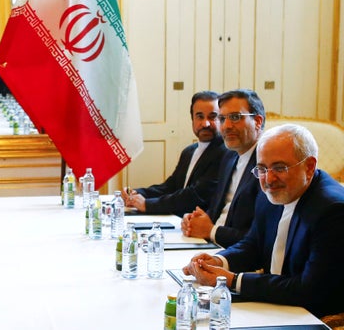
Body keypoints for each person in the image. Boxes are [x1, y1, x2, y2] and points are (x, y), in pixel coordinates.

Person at [183, 124, 344, 318]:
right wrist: (219, 261)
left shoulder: (332, 210)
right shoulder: (272, 191)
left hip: (314, 316)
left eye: (279, 168)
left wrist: (233, 280)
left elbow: (309, 290)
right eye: (261, 168)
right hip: (274, 304)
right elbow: (253, 245)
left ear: (309, 166)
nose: (268, 179)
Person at [181, 89, 265, 247]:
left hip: (237, 255)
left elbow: (260, 236)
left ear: (258, 121)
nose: (226, 126)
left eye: (235, 117)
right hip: (209, 245)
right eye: (222, 118)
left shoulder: (267, 165)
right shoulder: (229, 157)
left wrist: (211, 230)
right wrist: (195, 220)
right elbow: (216, 210)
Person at [123, 91, 229, 216]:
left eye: (212, 117)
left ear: (221, 119)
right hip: (177, 219)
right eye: (200, 116)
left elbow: (196, 195)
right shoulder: (189, 151)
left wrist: (147, 204)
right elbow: (171, 186)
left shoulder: (225, 153)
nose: (205, 123)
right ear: (192, 119)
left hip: (197, 226)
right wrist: (138, 193)